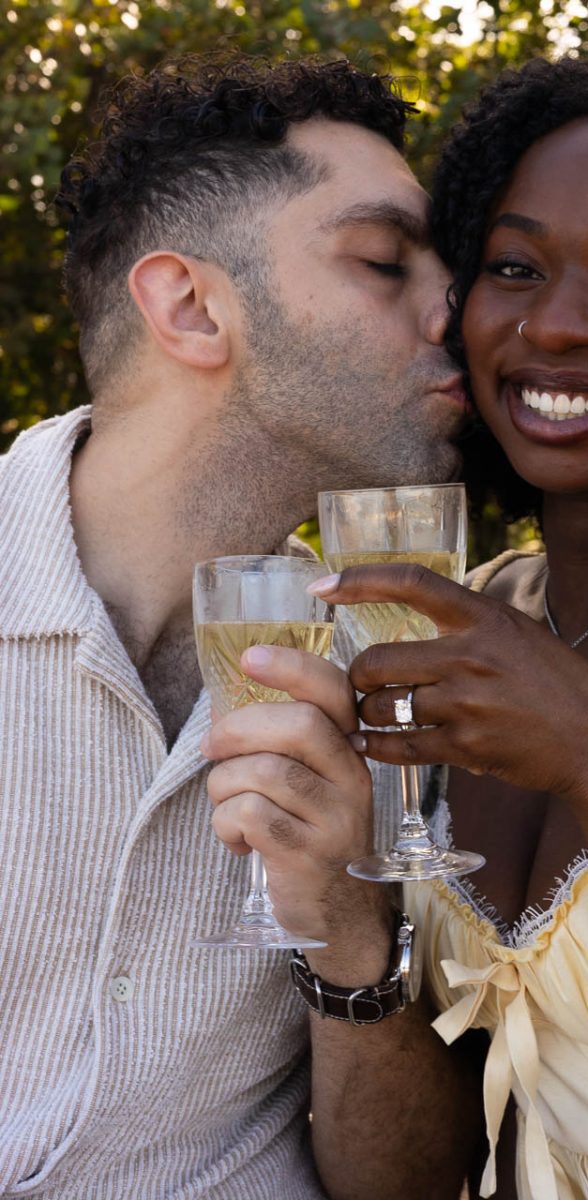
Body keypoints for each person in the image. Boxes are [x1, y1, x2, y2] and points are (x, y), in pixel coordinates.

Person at [249, 56, 588, 1199]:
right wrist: (346, 931)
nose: (553, 325)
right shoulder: (465, 615)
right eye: (511, 267)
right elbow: (404, 1176)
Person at [0, 51, 478, 1199]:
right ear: (192, 306)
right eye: (382, 260)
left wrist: (350, 931)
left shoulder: (405, 680)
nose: (458, 308)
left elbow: (408, 1187)